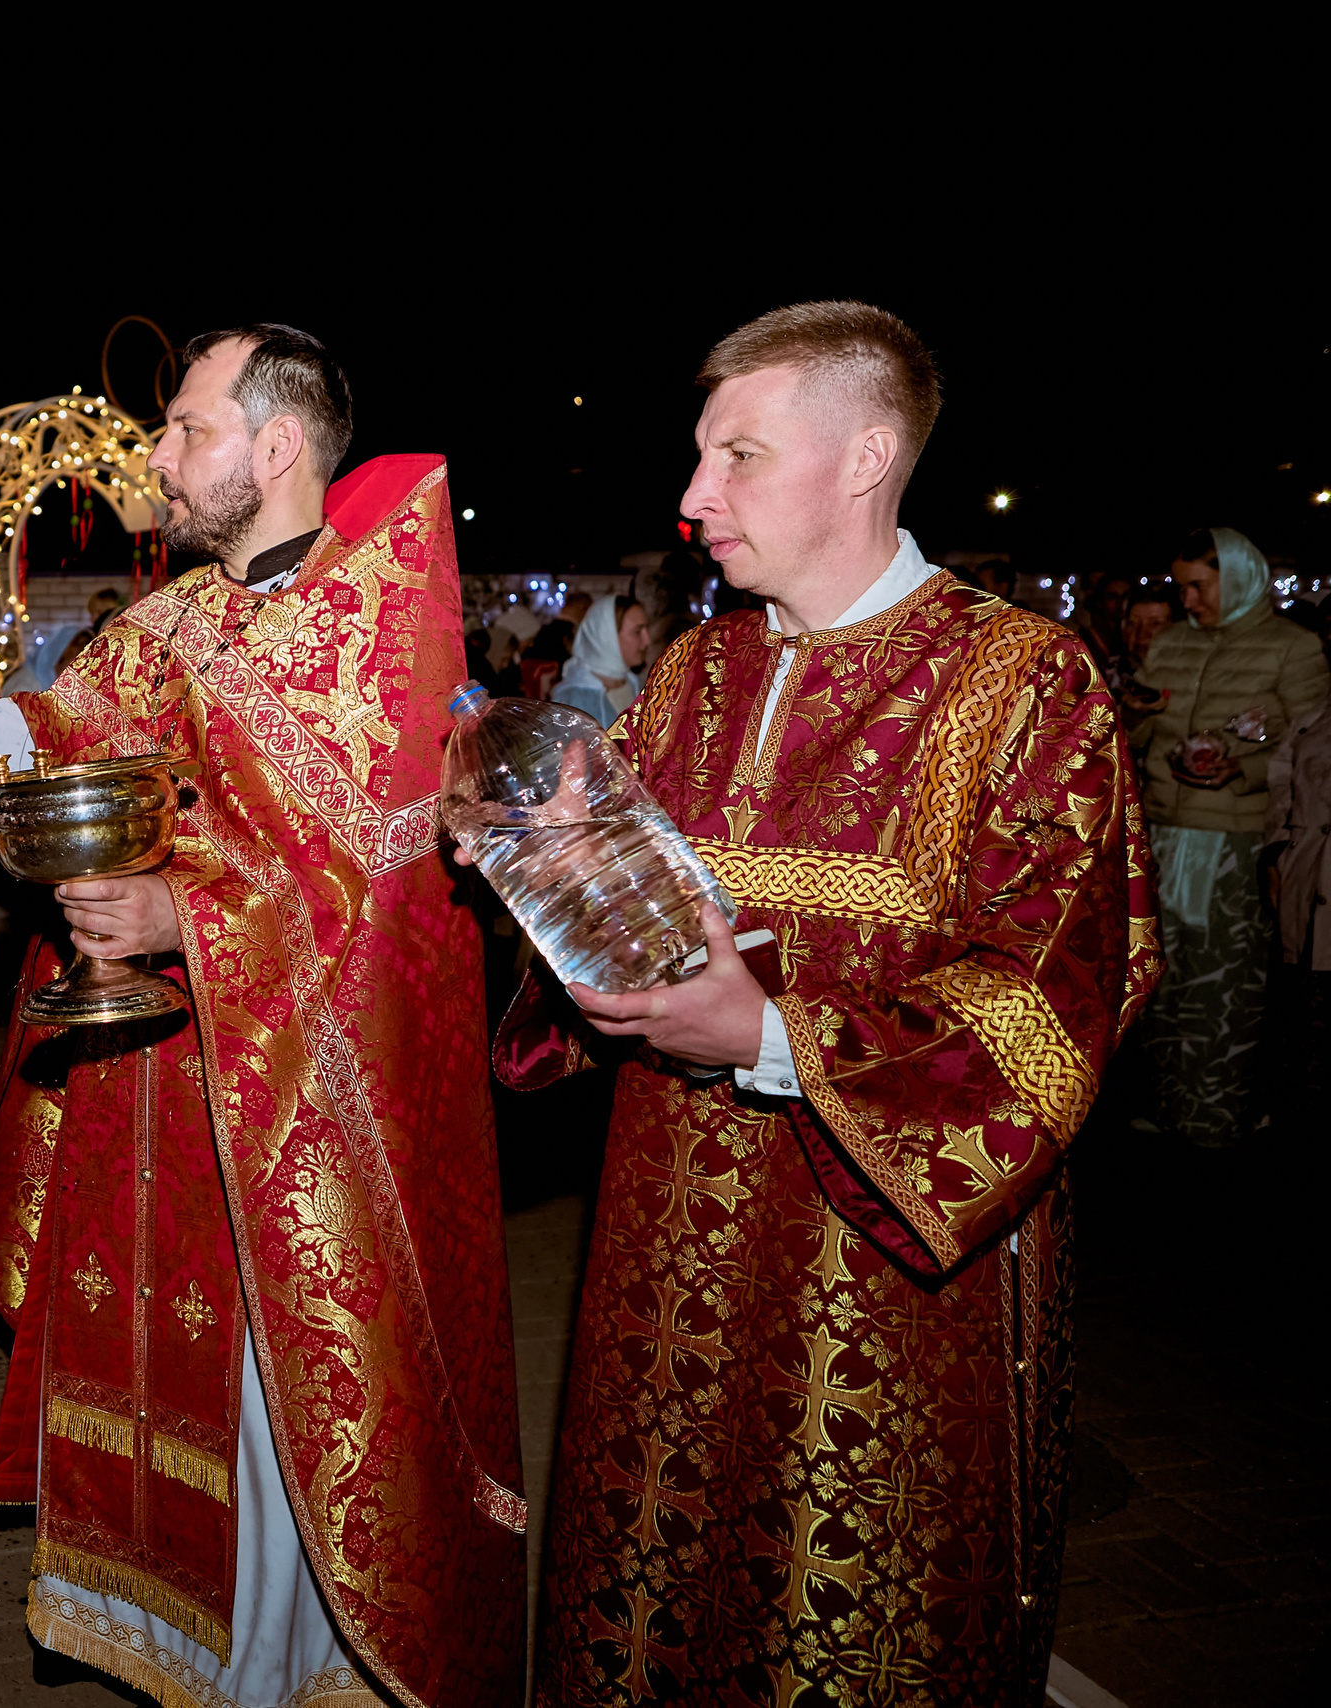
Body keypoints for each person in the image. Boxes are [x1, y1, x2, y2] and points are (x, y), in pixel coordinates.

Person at [488, 302, 1158, 1704]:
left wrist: (777, 1039)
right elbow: (610, 937)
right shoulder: (690, 674)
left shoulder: (1026, 681)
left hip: (889, 1278)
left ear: (865, 458)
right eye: (696, 457)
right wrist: (541, 865)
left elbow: (1062, 996)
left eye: (737, 456)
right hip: (661, 1248)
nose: (693, 499)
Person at [0, 323, 524, 1705]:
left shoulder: (376, 625)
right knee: (164, 1366)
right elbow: (47, 748)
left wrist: (185, 915)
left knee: (282, 1409)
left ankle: (289, 1666)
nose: (156, 456)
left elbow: (384, 898)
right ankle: (186, 1637)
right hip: (152, 1082)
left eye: (185, 428)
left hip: (305, 1116)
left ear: (276, 448)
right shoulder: (159, 626)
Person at [1132, 527, 1328, 1146]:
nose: (1187, 601)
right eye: (1181, 587)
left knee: (1227, 984)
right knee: (1163, 981)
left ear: (1239, 578)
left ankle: (1219, 1117)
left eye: (1199, 586)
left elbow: (1314, 760)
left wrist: (1240, 770)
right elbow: (1140, 739)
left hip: (1238, 843)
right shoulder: (1169, 646)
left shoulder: (1292, 649)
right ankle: (1171, 1107)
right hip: (1165, 834)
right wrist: (1133, 722)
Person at [551, 592, 650, 726]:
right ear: (608, 637)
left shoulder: (637, 686)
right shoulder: (573, 702)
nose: (647, 641)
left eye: (646, 630)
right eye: (637, 632)